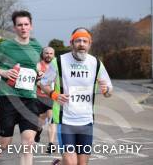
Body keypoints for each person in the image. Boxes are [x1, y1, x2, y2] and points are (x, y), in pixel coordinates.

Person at [40, 27, 113, 165]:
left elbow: (109, 90)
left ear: (90, 44)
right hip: (65, 121)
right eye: (78, 41)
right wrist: (54, 94)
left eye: (85, 41)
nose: (81, 44)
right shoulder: (59, 62)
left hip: (86, 121)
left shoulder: (96, 63)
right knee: (71, 163)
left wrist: (106, 91)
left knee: (82, 164)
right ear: (71, 43)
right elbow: (43, 83)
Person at [0, 10, 42, 165]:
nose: (23, 28)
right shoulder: (5, 46)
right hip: (8, 100)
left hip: (29, 100)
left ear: (31, 26)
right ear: (14, 28)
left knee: (28, 144)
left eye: (26, 24)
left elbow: (35, 67)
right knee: (4, 144)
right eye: (20, 25)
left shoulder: (36, 46)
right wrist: (3, 72)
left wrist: (39, 74)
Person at [34, 47, 57, 154]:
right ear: (43, 54)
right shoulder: (38, 66)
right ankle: (38, 133)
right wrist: (39, 79)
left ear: (53, 55)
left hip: (52, 97)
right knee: (40, 122)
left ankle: (51, 144)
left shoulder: (57, 66)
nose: (48, 55)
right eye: (46, 53)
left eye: (51, 53)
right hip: (40, 97)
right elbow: (35, 81)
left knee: (52, 120)